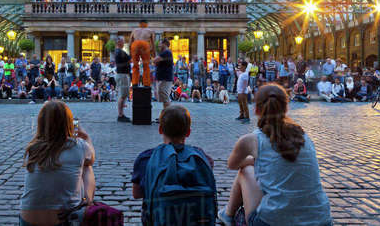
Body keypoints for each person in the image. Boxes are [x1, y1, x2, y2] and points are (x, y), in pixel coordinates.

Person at [218, 84, 332, 226]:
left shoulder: (251, 140)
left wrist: (253, 161)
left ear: (256, 110)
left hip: (272, 222)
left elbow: (232, 164)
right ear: (286, 108)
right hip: (321, 221)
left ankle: (228, 214)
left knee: (246, 171)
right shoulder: (303, 136)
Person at [131, 105, 215, 225]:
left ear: (160, 130)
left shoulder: (145, 158)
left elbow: (137, 194)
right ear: (188, 132)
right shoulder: (203, 158)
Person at [20, 101, 95, 226]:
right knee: (87, 167)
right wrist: (86, 137)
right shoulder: (79, 146)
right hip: (64, 221)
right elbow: (91, 158)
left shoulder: (33, 148)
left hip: (28, 220)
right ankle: (87, 201)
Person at [129, 19, 155, 87]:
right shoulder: (149, 30)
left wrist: (130, 54)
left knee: (135, 65)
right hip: (144, 44)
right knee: (146, 65)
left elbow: (130, 42)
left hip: (135, 44)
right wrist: (153, 54)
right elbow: (153, 44)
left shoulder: (134, 30)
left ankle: (134, 83)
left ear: (139, 24)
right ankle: (146, 83)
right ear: (146, 24)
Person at [114, 37, 131, 122]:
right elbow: (129, 59)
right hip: (122, 74)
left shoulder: (119, 51)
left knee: (123, 95)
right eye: (123, 41)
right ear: (119, 42)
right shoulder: (120, 51)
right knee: (123, 95)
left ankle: (121, 114)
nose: (124, 43)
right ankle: (120, 115)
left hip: (122, 74)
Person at [153, 39, 174, 109]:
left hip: (165, 78)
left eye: (160, 43)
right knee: (164, 97)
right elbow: (156, 63)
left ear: (164, 44)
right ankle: (165, 115)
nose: (159, 45)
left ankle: (167, 116)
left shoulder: (166, 52)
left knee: (165, 97)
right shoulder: (165, 52)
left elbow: (155, 60)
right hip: (164, 78)